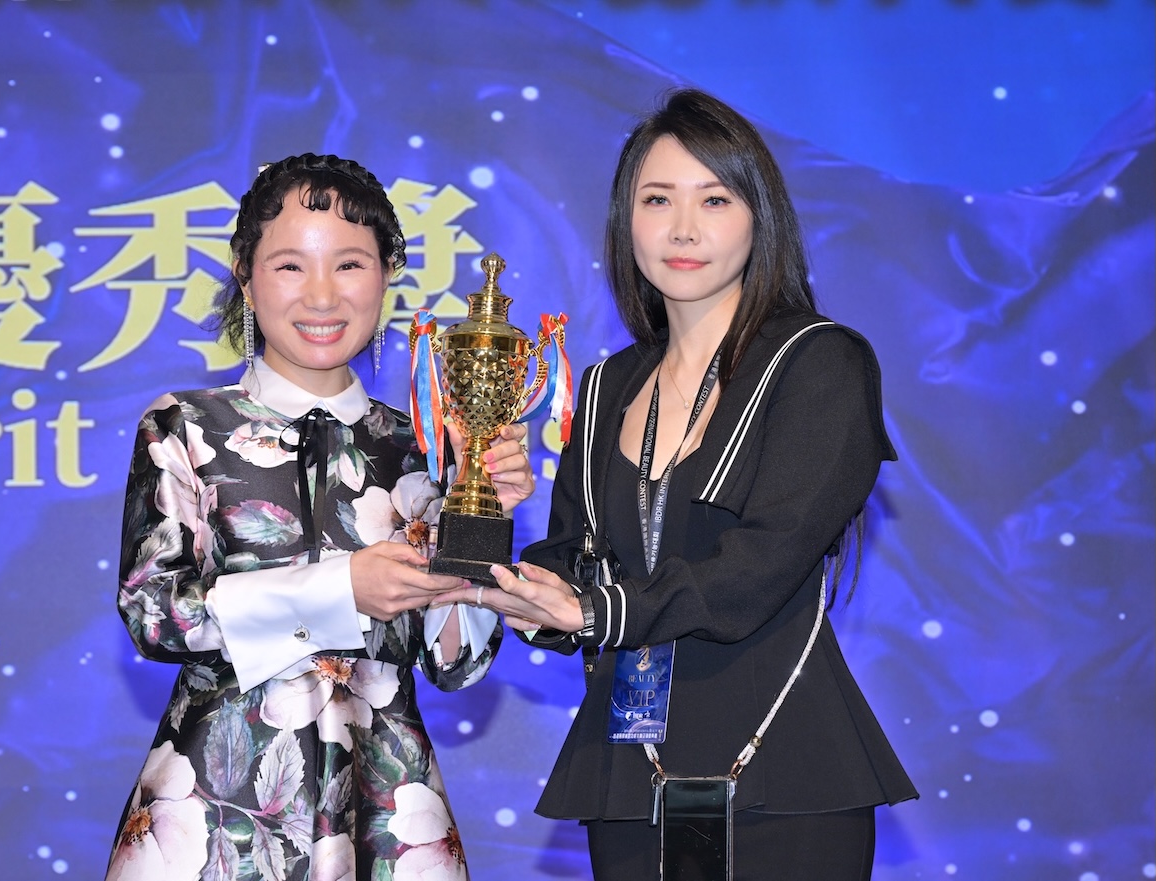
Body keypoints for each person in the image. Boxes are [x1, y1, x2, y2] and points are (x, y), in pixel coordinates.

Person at [437, 89, 918, 879]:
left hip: (784, 767)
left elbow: (760, 564)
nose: (683, 228)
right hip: (631, 771)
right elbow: (576, 562)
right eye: (657, 199)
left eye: (714, 199)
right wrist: (505, 547)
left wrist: (596, 610)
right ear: (625, 221)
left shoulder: (819, 362)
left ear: (759, 217)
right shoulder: (605, 387)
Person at [105, 153, 534, 881]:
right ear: (245, 277)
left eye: (349, 265)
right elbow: (156, 616)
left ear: (387, 275)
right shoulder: (186, 426)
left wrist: (479, 508)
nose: (322, 295)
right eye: (290, 267)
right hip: (213, 816)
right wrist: (342, 588)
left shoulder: (421, 445)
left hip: (386, 812)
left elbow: (456, 663)